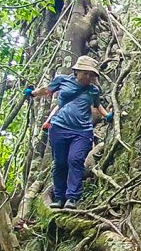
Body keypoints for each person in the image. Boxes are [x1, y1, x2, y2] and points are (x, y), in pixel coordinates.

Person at [32, 55, 110, 209]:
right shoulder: (62, 80)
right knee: (60, 164)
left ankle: (72, 198)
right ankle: (59, 197)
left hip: (82, 131)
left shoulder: (93, 90)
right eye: (84, 73)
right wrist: (32, 93)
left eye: (91, 74)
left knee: (75, 160)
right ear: (76, 71)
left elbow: (97, 106)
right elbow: (46, 89)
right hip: (59, 128)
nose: (87, 77)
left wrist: (107, 115)